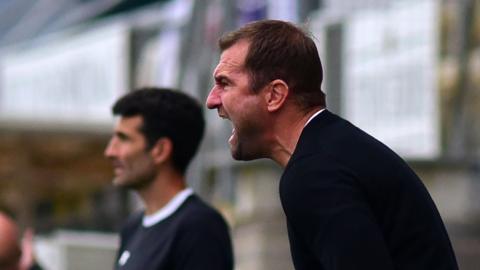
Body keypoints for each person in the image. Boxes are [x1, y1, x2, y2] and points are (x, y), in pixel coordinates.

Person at [206, 19, 458, 269]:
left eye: (224, 83)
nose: (211, 100)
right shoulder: (332, 151)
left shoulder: (315, 173)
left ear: (274, 95)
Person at [104, 87, 233, 270]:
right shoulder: (132, 228)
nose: (110, 152)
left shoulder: (200, 227)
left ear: (160, 150)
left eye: (123, 139)